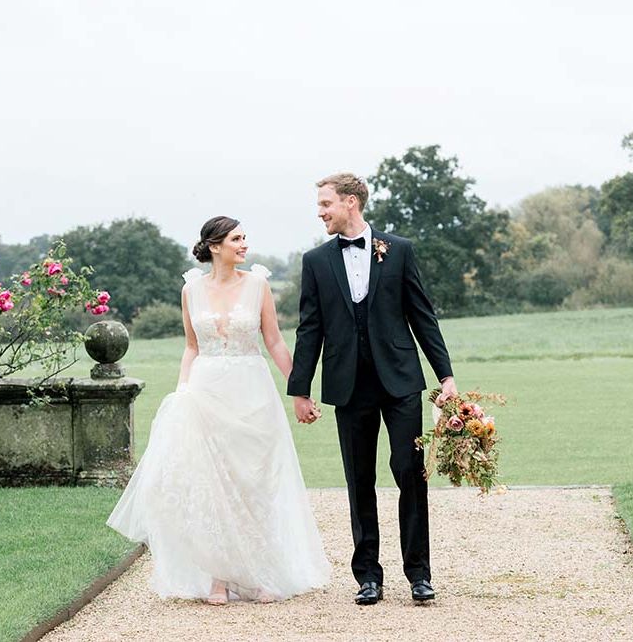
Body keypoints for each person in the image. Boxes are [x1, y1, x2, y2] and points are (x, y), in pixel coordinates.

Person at [107, 216, 330, 605]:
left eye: (245, 238)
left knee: (254, 482)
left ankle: (260, 572)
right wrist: (182, 391)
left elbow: (275, 342)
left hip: (252, 390)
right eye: (236, 238)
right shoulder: (191, 290)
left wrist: (301, 390)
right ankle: (218, 578)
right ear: (214, 246)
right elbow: (191, 346)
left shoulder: (258, 285)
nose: (244, 245)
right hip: (207, 390)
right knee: (212, 483)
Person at [287, 173, 457, 605]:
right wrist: (300, 389)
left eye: (325, 203)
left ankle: (419, 573)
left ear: (350, 203)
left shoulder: (399, 251)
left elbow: (423, 316)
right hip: (348, 386)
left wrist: (445, 376)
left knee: (409, 472)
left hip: (400, 381)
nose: (320, 211)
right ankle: (368, 576)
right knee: (358, 479)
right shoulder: (317, 261)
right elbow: (309, 330)